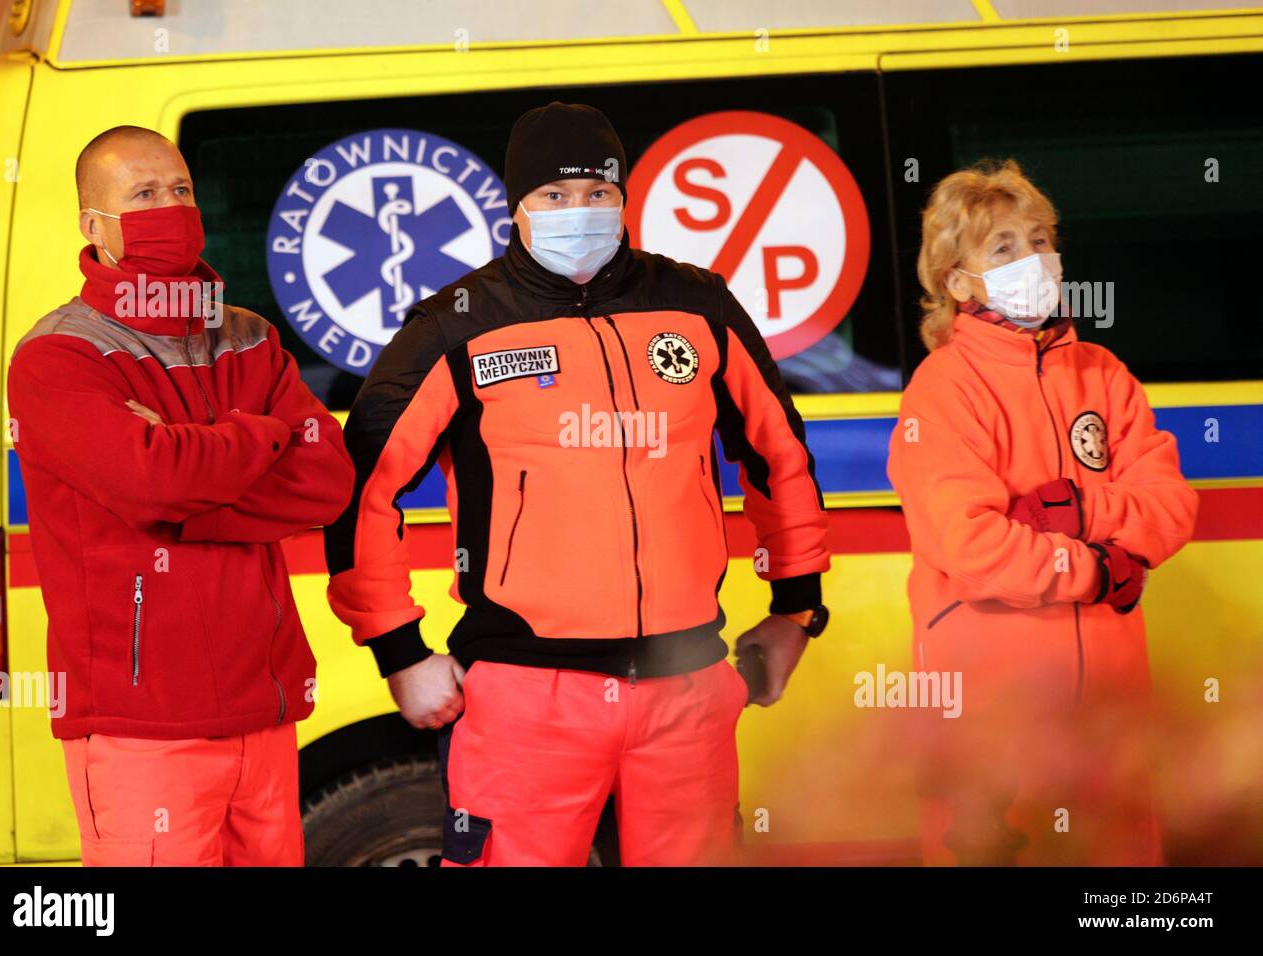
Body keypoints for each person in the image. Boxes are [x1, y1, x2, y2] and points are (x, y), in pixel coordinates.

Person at [324, 102, 832, 866]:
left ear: (623, 199)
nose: (579, 212)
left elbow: (778, 457)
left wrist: (797, 606)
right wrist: (398, 649)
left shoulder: (696, 304)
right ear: (517, 206)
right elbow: (366, 483)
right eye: (554, 196)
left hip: (686, 685)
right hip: (526, 694)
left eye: (598, 193)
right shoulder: (457, 323)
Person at [7, 126, 353, 866]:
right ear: (93, 227)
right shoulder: (57, 357)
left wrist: (185, 485)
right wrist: (260, 438)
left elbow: (324, 480)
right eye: (143, 194)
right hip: (142, 727)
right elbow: (151, 480)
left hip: (265, 710)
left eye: (181, 190)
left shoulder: (250, 337)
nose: (170, 206)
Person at [886, 159, 1198, 865]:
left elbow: (1172, 507)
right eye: (1004, 248)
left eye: (1039, 239)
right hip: (992, 711)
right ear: (957, 281)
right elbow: (973, 545)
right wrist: (1095, 570)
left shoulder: (1102, 373)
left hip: (1110, 708)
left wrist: (1077, 507)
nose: (1034, 259)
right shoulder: (942, 391)